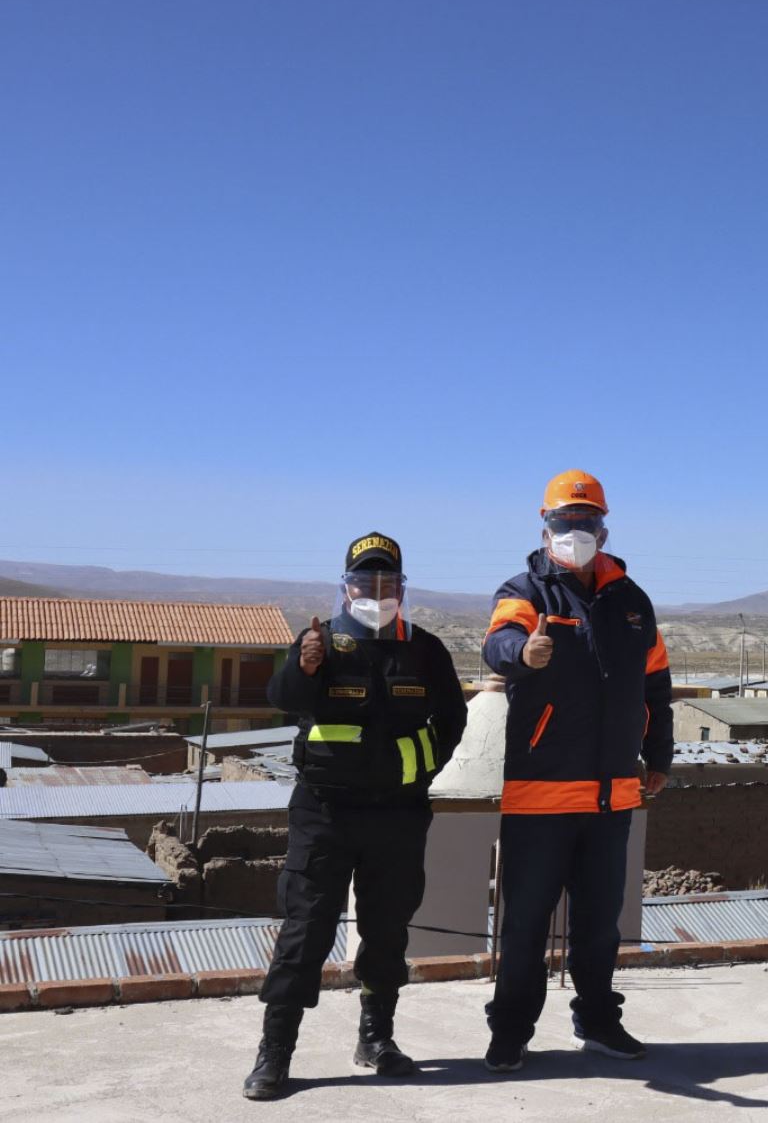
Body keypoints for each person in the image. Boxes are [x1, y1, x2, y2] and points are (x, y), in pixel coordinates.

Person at [245, 532, 468, 1100]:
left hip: (399, 814)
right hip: (325, 813)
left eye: (387, 582)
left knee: (388, 929)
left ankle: (377, 1038)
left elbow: (452, 720)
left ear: (401, 588)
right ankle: (275, 1053)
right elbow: (284, 697)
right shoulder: (321, 642)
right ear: (345, 588)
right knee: (305, 931)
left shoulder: (425, 649)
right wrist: (303, 665)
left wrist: (419, 770)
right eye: (365, 582)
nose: (376, 591)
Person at [481, 470, 674, 1073]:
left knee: (599, 926)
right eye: (566, 523)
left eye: (586, 523)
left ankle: (598, 1021)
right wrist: (523, 654)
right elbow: (497, 643)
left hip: (613, 794)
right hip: (540, 793)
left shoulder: (632, 601)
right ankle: (511, 1030)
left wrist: (659, 755)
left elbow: (656, 685)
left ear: (603, 527)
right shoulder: (526, 590)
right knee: (525, 927)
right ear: (545, 527)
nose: (576, 533)